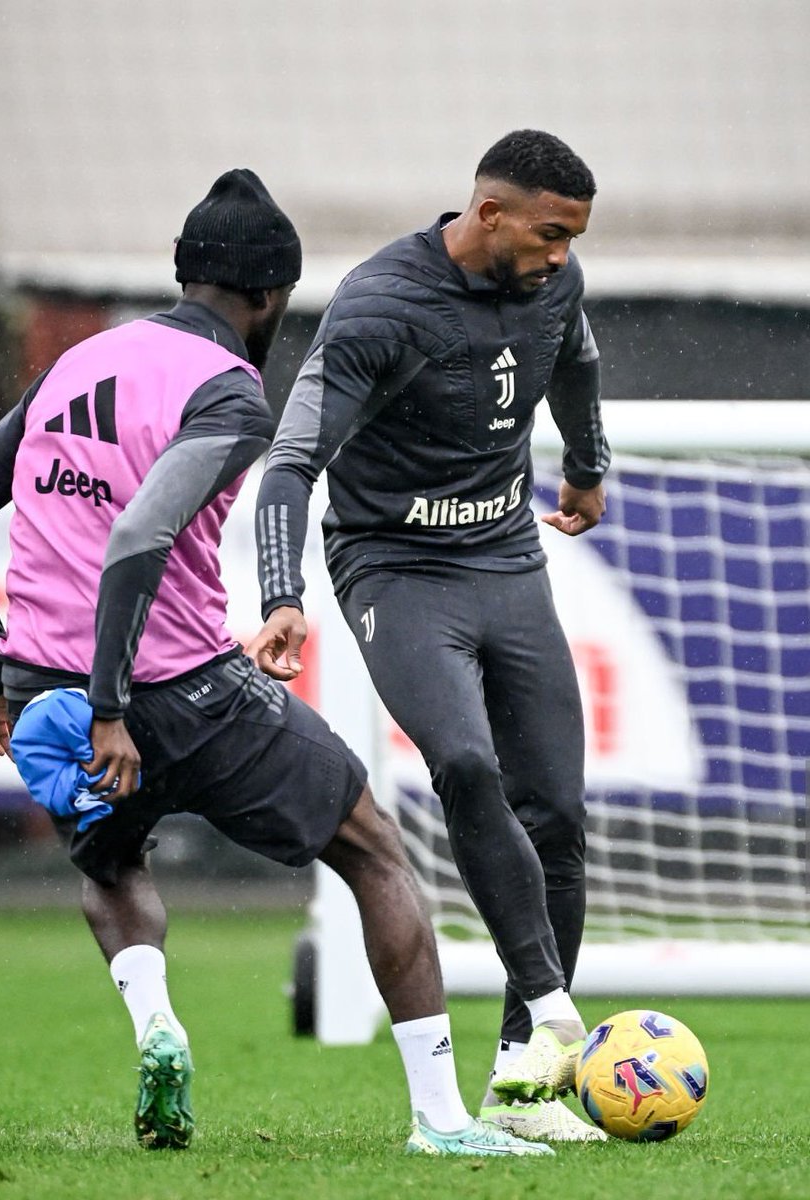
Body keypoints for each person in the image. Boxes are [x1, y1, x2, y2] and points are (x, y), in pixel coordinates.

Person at [0, 170, 551, 1160]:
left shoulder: (77, 363)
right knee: (372, 849)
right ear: (270, 298)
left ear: (185, 273)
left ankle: (157, 1028)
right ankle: (443, 1119)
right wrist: (110, 708)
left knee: (111, 859)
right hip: (178, 692)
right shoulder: (228, 392)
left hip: (47, 690)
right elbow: (142, 534)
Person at [250, 130, 611, 1143]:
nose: (560, 256)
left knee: (560, 815)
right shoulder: (381, 305)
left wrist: (586, 464)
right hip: (396, 570)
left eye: (574, 239)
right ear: (487, 212)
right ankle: (554, 1009)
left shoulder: (555, 282)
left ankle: (525, 1086)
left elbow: (575, 362)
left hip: (507, 562)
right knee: (462, 761)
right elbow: (289, 463)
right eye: (548, 233)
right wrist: (283, 594)